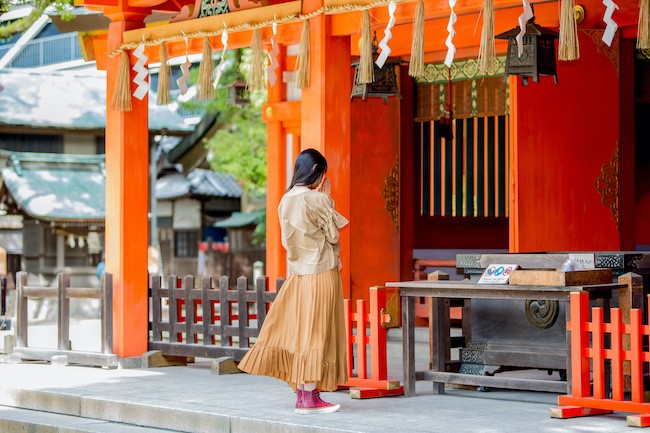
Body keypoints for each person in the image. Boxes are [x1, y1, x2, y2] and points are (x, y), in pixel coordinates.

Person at [238, 148, 349, 415]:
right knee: (318, 331)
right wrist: (326, 197)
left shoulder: (285, 200)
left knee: (303, 331)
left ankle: (303, 394)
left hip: (298, 274)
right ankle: (310, 397)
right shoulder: (316, 199)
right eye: (322, 173)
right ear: (316, 172)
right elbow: (334, 234)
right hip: (321, 273)